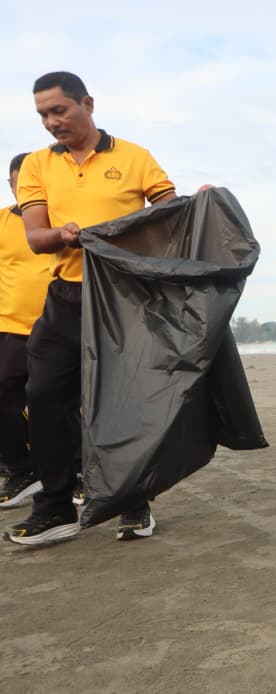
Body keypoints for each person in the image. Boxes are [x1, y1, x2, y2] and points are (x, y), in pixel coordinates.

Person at [5, 72, 176, 545]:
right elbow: (36, 237)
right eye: (43, 115)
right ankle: (56, 507)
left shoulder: (135, 157)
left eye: (58, 110)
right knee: (43, 396)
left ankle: (133, 503)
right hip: (65, 297)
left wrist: (202, 203)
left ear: (88, 104)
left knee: (119, 406)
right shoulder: (38, 164)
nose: (51, 122)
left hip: (124, 300)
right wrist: (62, 235)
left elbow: (171, 217)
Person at [0, 153, 52, 509]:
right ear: (11, 185)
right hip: (11, 327)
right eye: (21, 184)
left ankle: (78, 471)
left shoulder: (61, 219)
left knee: (62, 400)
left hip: (58, 325)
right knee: (4, 393)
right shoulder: (3, 221)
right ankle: (22, 470)